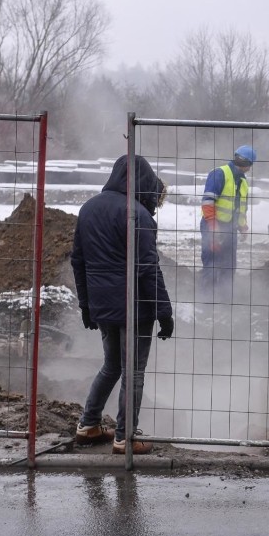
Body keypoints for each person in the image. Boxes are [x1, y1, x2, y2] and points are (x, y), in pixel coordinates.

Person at [71, 155, 174, 455]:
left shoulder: (88, 209)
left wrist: (86, 306)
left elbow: (78, 261)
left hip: (102, 305)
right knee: (134, 371)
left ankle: (88, 425)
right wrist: (164, 312)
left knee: (112, 365)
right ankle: (125, 437)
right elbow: (148, 268)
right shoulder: (138, 216)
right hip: (135, 308)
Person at [200, 145, 255, 303]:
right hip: (213, 226)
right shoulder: (220, 173)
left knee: (229, 266)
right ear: (248, 164)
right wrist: (213, 227)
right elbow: (208, 202)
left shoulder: (243, 182)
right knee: (211, 264)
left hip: (230, 230)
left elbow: (240, 208)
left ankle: (225, 301)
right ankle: (207, 302)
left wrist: (242, 226)